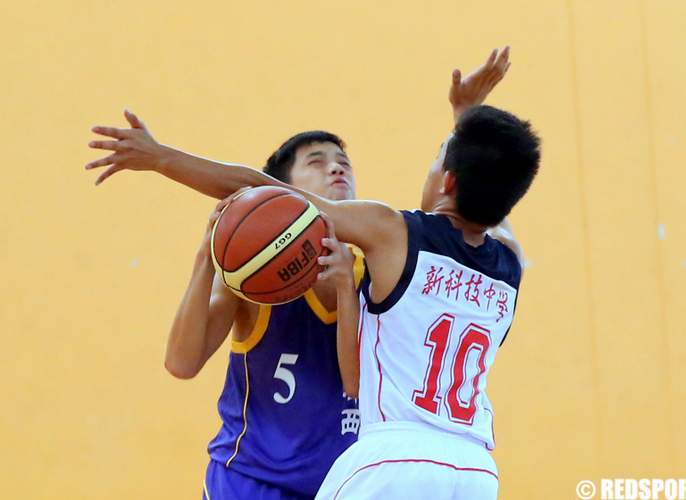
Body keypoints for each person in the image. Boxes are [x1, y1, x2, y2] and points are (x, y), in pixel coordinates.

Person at [85, 47, 513, 499]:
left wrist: (465, 119)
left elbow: (451, 219)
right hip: (252, 482)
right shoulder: (253, 281)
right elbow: (181, 362)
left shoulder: (381, 265)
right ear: (280, 192)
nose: (337, 166)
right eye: (316, 161)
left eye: (343, 161)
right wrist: (204, 256)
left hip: (350, 483)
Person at [204, 97, 540, 498]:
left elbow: (271, 195)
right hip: (475, 470)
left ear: (448, 182)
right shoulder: (511, 262)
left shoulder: (393, 233)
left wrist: (158, 158)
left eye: (438, 160)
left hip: (395, 456)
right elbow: (491, 195)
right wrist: (468, 125)